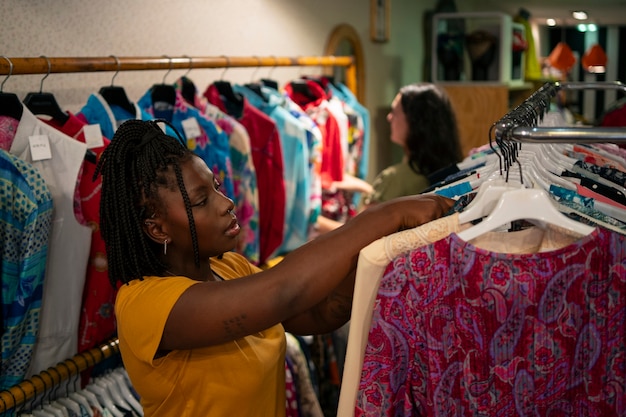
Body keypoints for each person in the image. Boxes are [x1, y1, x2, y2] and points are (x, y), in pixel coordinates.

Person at [94, 119, 453, 417]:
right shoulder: (145, 304)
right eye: (202, 201)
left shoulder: (228, 267)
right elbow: (285, 291)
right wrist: (384, 215)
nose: (227, 203)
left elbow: (319, 313)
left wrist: (382, 249)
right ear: (156, 227)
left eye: (217, 188)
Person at [363, 82, 463, 207]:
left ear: (415, 121)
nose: (389, 117)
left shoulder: (394, 178)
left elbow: (360, 226)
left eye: (394, 112)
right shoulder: (451, 172)